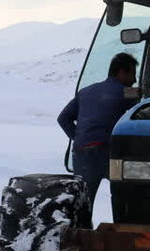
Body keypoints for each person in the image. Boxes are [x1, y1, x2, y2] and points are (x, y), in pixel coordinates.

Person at [57, 52, 138, 201]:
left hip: (82, 154)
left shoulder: (85, 92)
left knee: (83, 204)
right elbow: (142, 115)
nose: (134, 80)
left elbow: (63, 118)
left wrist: (79, 138)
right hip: (109, 154)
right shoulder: (127, 92)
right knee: (127, 199)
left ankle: (82, 225)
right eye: (132, 74)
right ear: (121, 72)